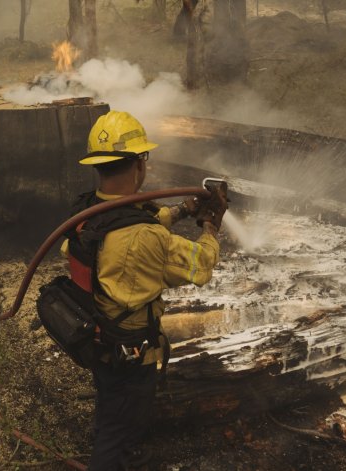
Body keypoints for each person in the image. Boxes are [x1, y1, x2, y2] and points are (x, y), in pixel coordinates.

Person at [66, 110, 227, 470]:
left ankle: (119, 446)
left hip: (98, 333)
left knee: (112, 404)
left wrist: (183, 210)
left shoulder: (87, 211)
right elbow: (200, 266)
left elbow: (126, 222)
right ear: (140, 164)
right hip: (130, 349)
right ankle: (113, 456)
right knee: (120, 422)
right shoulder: (146, 239)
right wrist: (212, 227)